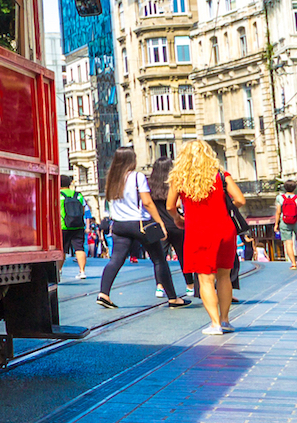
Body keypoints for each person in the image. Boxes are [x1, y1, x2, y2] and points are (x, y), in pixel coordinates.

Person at [168, 141, 246, 334]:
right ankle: (226, 320)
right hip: (225, 229)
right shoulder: (221, 175)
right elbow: (240, 200)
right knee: (224, 276)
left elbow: (170, 206)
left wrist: (179, 219)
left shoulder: (180, 178)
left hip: (198, 231)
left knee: (205, 279)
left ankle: (215, 324)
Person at [97, 147, 187, 308]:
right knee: (159, 259)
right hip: (140, 224)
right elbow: (147, 202)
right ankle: (173, 297)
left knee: (116, 260)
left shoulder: (112, 179)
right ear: (131, 160)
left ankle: (103, 293)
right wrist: (159, 222)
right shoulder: (137, 177)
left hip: (119, 225)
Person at [148, 156, 195, 296]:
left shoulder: (150, 184)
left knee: (160, 258)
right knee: (182, 256)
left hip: (158, 226)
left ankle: (160, 286)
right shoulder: (175, 183)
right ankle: (190, 285)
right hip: (176, 224)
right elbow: (179, 204)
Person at [60, 175, 90, 279]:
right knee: (79, 248)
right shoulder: (78, 195)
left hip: (63, 226)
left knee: (62, 250)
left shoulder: (58, 195)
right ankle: (82, 271)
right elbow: (83, 210)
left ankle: (59, 271)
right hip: (78, 225)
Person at [278, 187, 297, 269]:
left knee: (288, 243)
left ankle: (293, 264)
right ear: (294, 188)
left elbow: (278, 212)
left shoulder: (280, 198)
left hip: (284, 221)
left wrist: (276, 224)